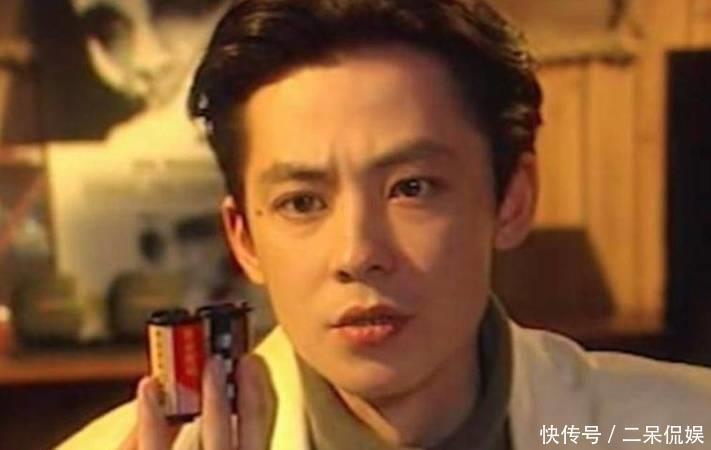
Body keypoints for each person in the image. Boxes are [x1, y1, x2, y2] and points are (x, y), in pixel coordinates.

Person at [58, 1, 711, 449]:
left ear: (511, 199)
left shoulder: (677, 427)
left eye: (411, 188)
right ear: (244, 239)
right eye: (302, 203)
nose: (358, 252)